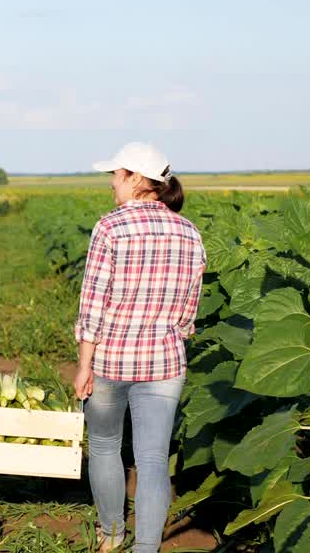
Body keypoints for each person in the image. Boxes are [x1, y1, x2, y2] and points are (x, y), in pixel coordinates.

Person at [72, 142, 206, 553]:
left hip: (111, 360)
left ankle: (111, 535)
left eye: (116, 175)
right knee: (152, 460)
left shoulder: (110, 227)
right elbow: (188, 312)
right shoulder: (189, 232)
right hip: (165, 363)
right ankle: (146, 548)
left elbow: (92, 305)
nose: (112, 183)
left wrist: (83, 365)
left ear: (134, 178)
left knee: (106, 448)